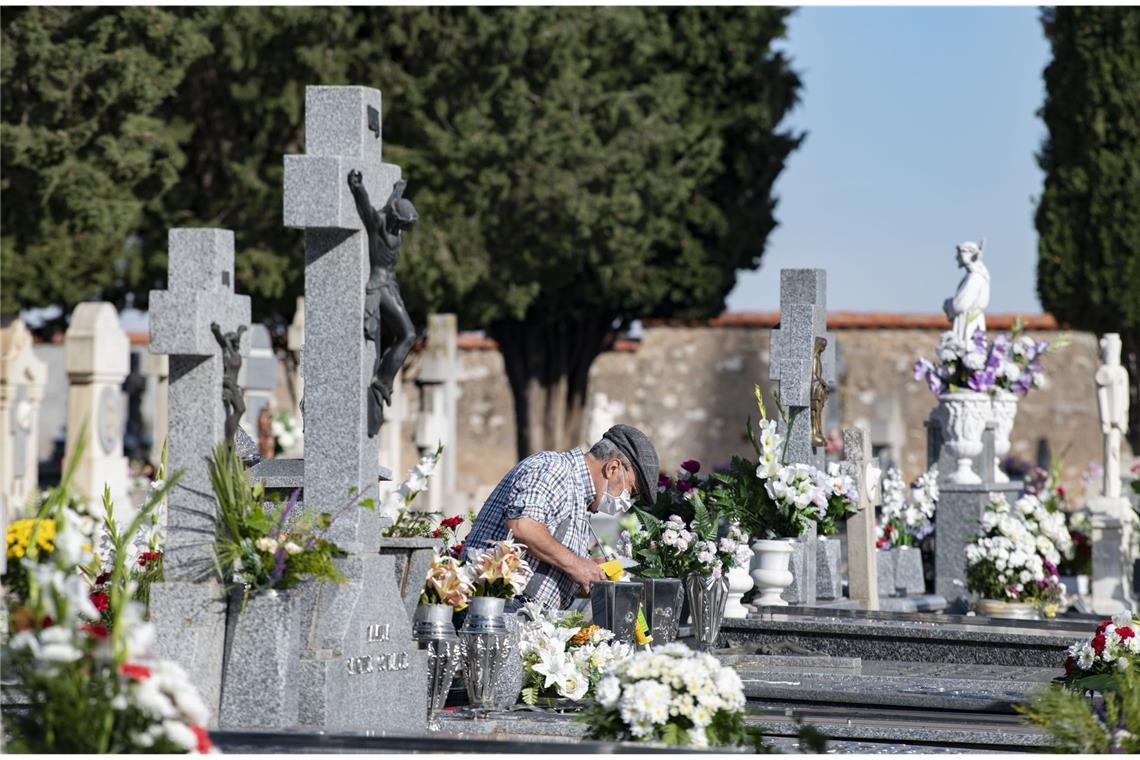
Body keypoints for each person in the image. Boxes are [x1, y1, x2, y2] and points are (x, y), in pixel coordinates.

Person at [461, 424, 659, 613]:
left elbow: (552, 564)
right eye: (631, 491)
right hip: (496, 609)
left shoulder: (581, 499)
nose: (628, 501)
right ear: (613, 468)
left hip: (522, 613)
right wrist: (575, 563)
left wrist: (591, 575)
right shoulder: (555, 468)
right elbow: (523, 525)